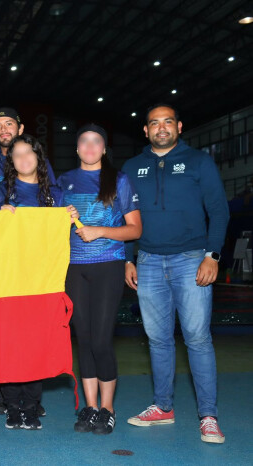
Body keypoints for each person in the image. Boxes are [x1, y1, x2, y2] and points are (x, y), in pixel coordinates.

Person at [122, 104, 229, 444]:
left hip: (191, 259)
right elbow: (125, 217)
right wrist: (129, 259)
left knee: (197, 338)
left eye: (168, 122)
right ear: (146, 130)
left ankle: (208, 416)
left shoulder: (199, 162)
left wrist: (212, 256)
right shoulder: (132, 166)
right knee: (158, 339)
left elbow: (219, 211)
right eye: (154, 123)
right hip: (149, 261)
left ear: (179, 126)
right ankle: (163, 407)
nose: (162, 128)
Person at [0, 134, 78, 429]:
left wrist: (69, 217)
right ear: (10, 162)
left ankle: (32, 404)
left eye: (30, 152)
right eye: (18, 154)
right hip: (7, 282)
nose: (24, 158)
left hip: (41, 283)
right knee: (8, 345)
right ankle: (12, 405)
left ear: (39, 157)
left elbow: (59, 238)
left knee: (35, 344)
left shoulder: (56, 194)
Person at [57, 124, 141, 435]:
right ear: (77, 148)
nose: (90, 147)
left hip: (108, 266)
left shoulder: (118, 180)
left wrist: (100, 231)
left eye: (97, 142)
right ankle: (90, 407)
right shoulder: (63, 182)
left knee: (103, 340)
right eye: (84, 142)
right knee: (86, 339)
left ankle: (108, 409)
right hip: (73, 268)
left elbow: (135, 229)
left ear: (104, 149)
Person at [0, 107, 56, 194]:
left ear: (20, 129)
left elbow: (53, 195)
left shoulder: (38, 161)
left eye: (9, 124)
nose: (3, 129)